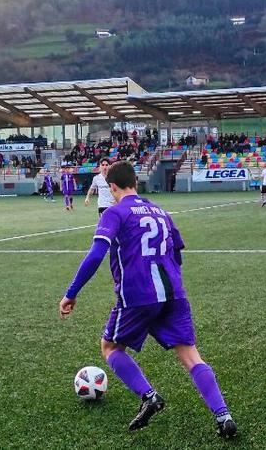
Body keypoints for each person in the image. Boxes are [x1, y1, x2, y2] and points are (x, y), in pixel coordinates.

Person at [59, 162, 237, 438]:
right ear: (136, 183)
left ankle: (150, 396)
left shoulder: (115, 213)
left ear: (112, 186)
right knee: (191, 356)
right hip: (174, 293)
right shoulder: (161, 212)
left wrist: (71, 293)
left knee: (110, 347)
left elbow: (96, 255)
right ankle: (223, 415)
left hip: (137, 296)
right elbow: (177, 254)